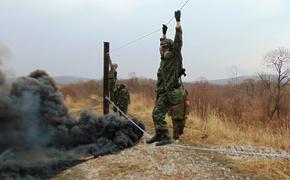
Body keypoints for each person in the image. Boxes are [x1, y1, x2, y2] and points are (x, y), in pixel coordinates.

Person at [146, 10, 184, 146]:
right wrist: (163, 34)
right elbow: (164, 42)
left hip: (168, 92)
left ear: (167, 49)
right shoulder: (164, 59)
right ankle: (159, 134)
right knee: (156, 114)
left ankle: (166, 137)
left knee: (157, 114)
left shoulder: (173, 56)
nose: (160, 50)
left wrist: (178, 23)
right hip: (161, 91)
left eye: (162, 48)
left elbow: (178, 42)